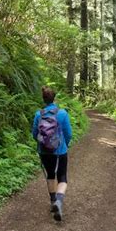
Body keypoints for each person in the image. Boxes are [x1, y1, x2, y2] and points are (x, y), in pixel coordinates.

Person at [32, 86, 72, 221]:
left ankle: (53, 200)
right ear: (54, 98)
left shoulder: (39, 114)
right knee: (62, 177)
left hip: (44, 151)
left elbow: (34, 134)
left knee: (50, 175)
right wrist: (64, 145)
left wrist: (43, 145)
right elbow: (68, 134)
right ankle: (59, 202)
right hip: (60, 151)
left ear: (44, 99)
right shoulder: (62, 114)